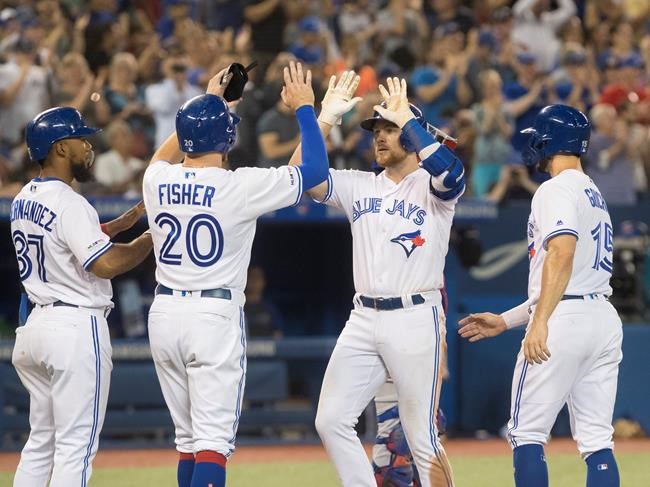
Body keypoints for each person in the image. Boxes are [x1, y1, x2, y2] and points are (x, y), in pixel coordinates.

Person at [142, 61, 329, 487]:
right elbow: (315, 171)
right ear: (227, 137)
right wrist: (305, 109)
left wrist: (210, 103)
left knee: (188, 441)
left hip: (165, 315)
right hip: (212, 317)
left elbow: (163, 155)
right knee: (212, 444)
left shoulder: (157, 179)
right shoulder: (238, 185)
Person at [303, 75, 465, 487]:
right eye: (377, 130)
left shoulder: (430, 188)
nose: (380, 137)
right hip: (363, 319)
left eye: (389, 129)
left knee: (421, 437)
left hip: (414, 317)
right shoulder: (359, 185)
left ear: (412, 137)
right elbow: (299, 177)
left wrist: (408, 121)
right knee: (331, 420)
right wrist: (322, 119)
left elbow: (454, 175)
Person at [459, 104, 623, 487]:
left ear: (548, 140)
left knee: (525, 433)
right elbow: (571, 277)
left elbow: (562, 253)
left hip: (564, 320)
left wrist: (541, 323)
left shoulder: (555, 188)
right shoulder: (593, 193)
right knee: (598, 441)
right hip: (601, 318)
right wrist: (507, 320)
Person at [10, 107, 153, 487]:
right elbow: (105, 265)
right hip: (73, 329)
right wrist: (151, 236)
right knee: (76, 446)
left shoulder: (25, 196)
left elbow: (60, 237)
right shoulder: (70, 202)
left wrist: (116, 225)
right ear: (59, 148)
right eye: (80, 140)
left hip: (36, 329)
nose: (88, 147)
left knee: (41, 443)